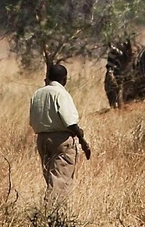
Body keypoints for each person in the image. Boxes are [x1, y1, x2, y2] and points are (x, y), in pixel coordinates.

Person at [29, 64, 91, 204]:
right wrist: (82, 139)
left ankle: (49, 212)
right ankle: (54, 215)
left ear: (48, 77)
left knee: (50, 177)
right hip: (61, 140)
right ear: (64, 79)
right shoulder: (61, 93)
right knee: (60, 181)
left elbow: (32, 120)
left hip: (42, 139)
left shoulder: (37, 94)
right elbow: (70, 122)